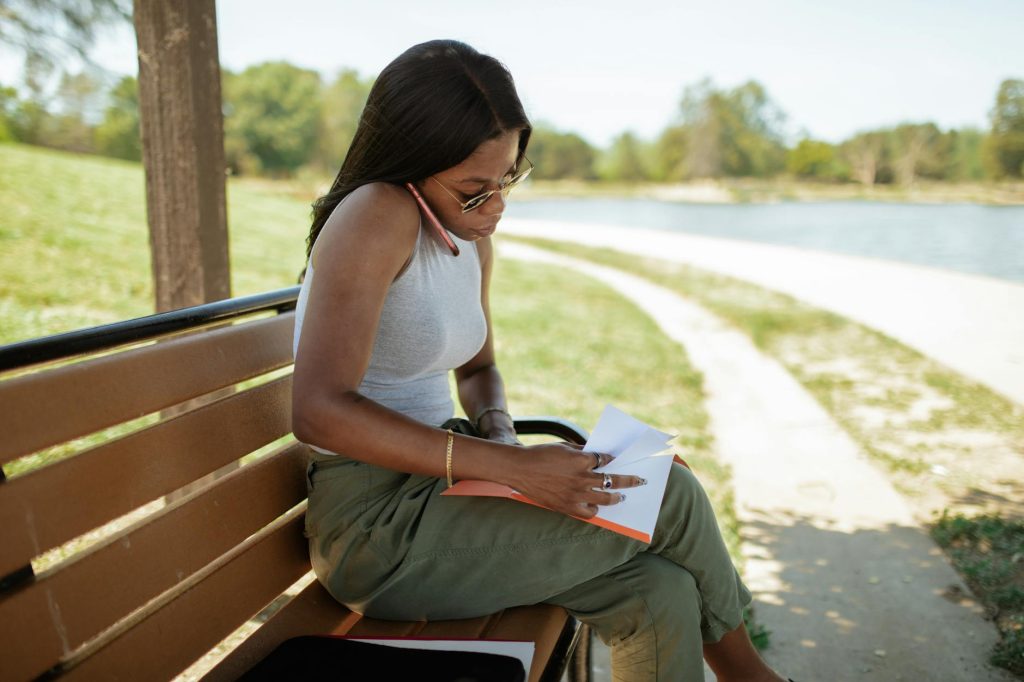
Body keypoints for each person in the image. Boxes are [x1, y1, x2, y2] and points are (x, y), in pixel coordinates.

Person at [291, 39, 787, 682]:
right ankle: (753, 677)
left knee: (660, 592)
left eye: (507, 180)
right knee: (668, 495)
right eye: (474, 190)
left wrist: (496, 427)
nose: (495, 207)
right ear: (412, 162)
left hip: (443, 489)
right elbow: (319, 411)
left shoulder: (464, 236)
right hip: (377, 533)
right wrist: (510, 465)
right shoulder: (376, 213)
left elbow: (476, 370)